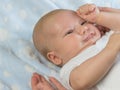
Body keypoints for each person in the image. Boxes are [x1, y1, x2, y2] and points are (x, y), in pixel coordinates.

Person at [32, 4, 120, 90]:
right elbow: (80, 81)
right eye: (69, 32)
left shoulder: (107, 36)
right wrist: (110, 49)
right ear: (55, 58)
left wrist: (99, 17)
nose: (84, 29)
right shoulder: (71, 67)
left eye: (83, 22)